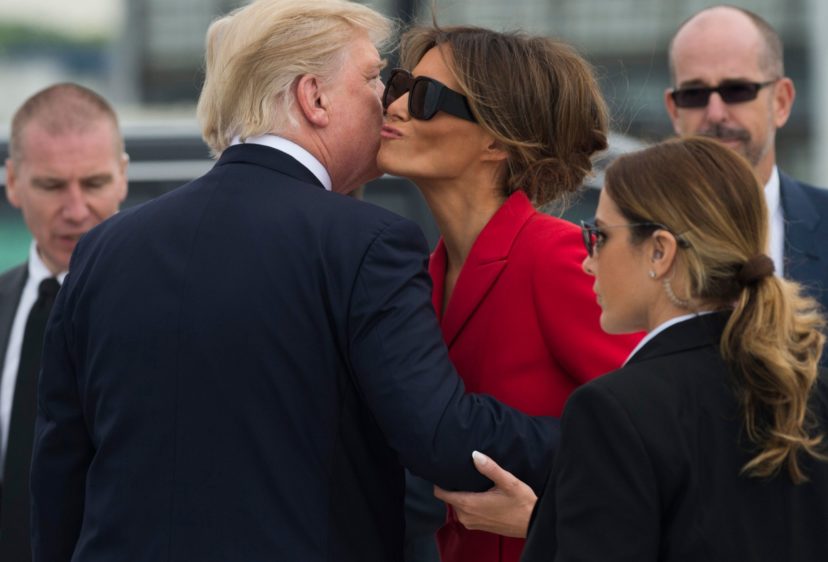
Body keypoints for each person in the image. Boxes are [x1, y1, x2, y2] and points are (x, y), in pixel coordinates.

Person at [29, 2, 558, 561]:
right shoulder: (366, 242)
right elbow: (441, 437)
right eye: (372, 77)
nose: (387, 98)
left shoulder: (104, 249)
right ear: (314, 98)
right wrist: (596, 443)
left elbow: (59, 471)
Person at [445, 137, 828, 561]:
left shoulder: (614, 411)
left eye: (599, 235)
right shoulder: (805, 387)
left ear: (660, 251)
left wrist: (548, 526)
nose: (588, 259)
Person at [378, 26, 640, 562]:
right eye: (399, 85)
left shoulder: (554, 257)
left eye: (424, 97)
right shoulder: (426, 276)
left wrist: (548, 521)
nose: (396, 106)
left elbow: (658, 440)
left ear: (496, 142)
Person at [0, 83, 128, 562]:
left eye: (93, 183)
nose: (76, 210)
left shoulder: (175, 314)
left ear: (122, 177)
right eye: (52, 186)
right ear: (13, 183)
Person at [664, 5, 828, 313]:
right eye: (694, 94)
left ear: (781, 101)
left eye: (737, 90)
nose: (715, 113)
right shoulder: (623, 244)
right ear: (674, 110)